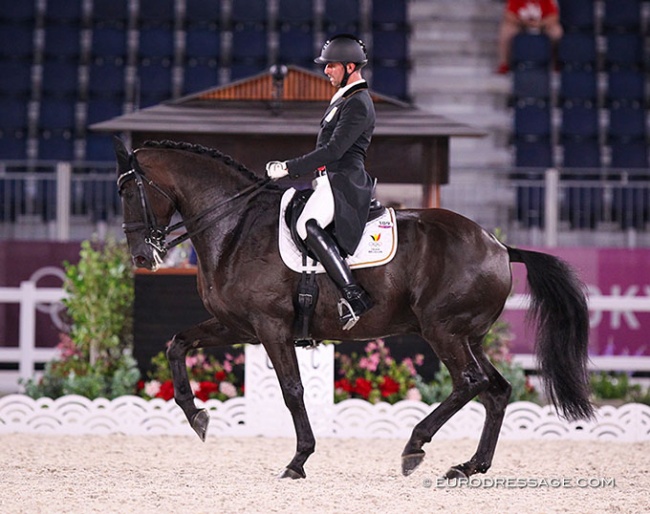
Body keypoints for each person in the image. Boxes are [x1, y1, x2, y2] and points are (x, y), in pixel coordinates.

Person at [265, 34, 375, 330]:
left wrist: (289, 167)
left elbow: (334, 150)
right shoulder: (345, 99)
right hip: (328, 180)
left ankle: (354, 296)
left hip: (344, 182)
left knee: (306, 224)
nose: (326, 71)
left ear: (350, 67)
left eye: (331, 66)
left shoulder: (358, 104)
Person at [496, 0, 563, 74]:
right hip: (520, 24)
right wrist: (524, 22)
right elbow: (508, 15)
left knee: (557, 32)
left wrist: (540, 24)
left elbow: (554, 17)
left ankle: (555, 64)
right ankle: (504, 64)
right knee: (506, 30)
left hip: (541, 24)